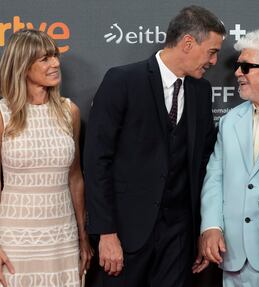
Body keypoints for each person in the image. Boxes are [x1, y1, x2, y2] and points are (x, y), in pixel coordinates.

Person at [83, 5, 225, 287]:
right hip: (125, 234)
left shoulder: (201, 90)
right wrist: (106, 233)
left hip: (179, 237)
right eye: (211, 51)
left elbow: (203, 164)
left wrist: (200, 230)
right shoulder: (122, 81)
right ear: (187, 43)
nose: (215, 60)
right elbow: (97, 160)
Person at [0, 29, 92, 287]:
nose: (55, 63)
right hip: (15, 240)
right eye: (44, 58)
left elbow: (75, 178)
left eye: (54, 55)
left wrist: (82, 235)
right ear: (22, 65)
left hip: (62, 237)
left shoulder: (70, 112)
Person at [192, 29, 259, 286]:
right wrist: (211, 226)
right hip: (234, 258)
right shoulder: (229, 121)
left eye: (246, 67)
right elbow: (216, 176)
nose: (237, 73)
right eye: (238, 66)